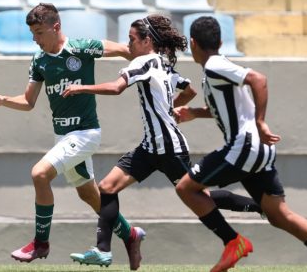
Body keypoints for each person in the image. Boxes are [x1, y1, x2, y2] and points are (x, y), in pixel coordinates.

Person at [64, 15, 262, 270]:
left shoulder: (145, 61)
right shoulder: (163, 64)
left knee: (199, 196)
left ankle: (240, 230)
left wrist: (80, 88)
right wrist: (170, 108)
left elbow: (116, 88)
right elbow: (189, 89)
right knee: (108, 186)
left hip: (168, 148)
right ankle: (102, 250)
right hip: (151, 147)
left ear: (147, 41)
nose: (129, 45)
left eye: (132, 39)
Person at [173, 16, 307, 272]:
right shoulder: (217, 67)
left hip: (244, 147)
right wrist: (194, 113)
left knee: (185, 188)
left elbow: (258, 79)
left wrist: (260, 121)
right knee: (279, 215)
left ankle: (232, 242)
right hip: (260, 150)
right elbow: (227, 109)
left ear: (192, 43)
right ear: (221, 41)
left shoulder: (213, 65)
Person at [0, 3, 145, 267]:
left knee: (39, 173)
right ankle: (130, 234)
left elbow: (124, 50)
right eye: (33, 34)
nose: (35, 39)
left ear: (55, 26)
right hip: (64, 138)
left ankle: (40, 243)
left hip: (85, 133)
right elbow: (28, 101)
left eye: (39, 32)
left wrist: (150, 65)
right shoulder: (39, 60)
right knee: (89, 195)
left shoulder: (80, 48)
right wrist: (3, 100)